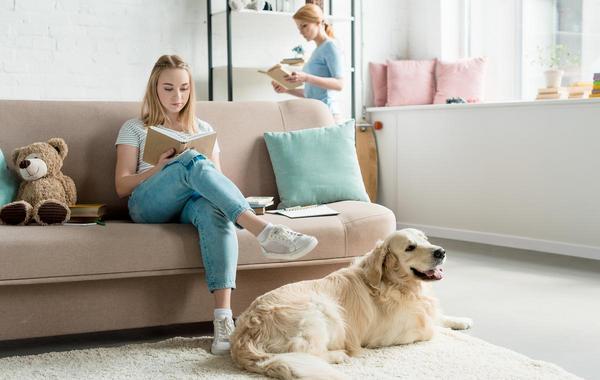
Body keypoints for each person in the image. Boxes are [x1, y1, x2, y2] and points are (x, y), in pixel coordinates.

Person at [114, 55, 318, 355]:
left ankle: (223, 322)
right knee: (189, 161)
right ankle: (264, 232)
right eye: (168, 88)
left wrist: (199, 166)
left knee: (214, 210)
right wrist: (160, 167)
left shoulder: (203, 128)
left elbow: (217, 181)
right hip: (147, 205)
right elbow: (121, 186)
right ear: (154, 89)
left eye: (183, 88)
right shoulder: (134, 127)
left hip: (192, 203)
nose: (177, 96)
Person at [272, 3, 345, 121]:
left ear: (319, 22)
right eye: (299, 28)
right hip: (315, 113)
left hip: (328, 113)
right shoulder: (317, 50)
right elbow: (312, 93)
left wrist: (306, 77)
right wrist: (287, 89)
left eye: (304, 26)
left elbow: (339, 84)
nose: (301, 32)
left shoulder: (330, 46)